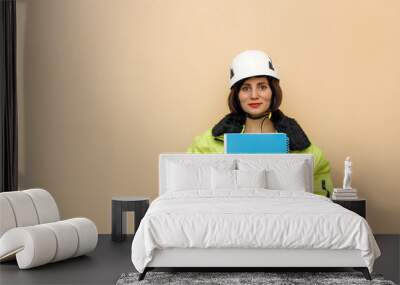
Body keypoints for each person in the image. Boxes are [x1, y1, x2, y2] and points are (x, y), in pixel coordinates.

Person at [186, 50, 333, 197]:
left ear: (273, 92)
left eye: (262, 87)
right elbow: (189, 185)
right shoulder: (207, 145)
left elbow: (321, 197)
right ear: (236, 95)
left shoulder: (300, 145)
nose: (254, 95)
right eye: (246, 88)